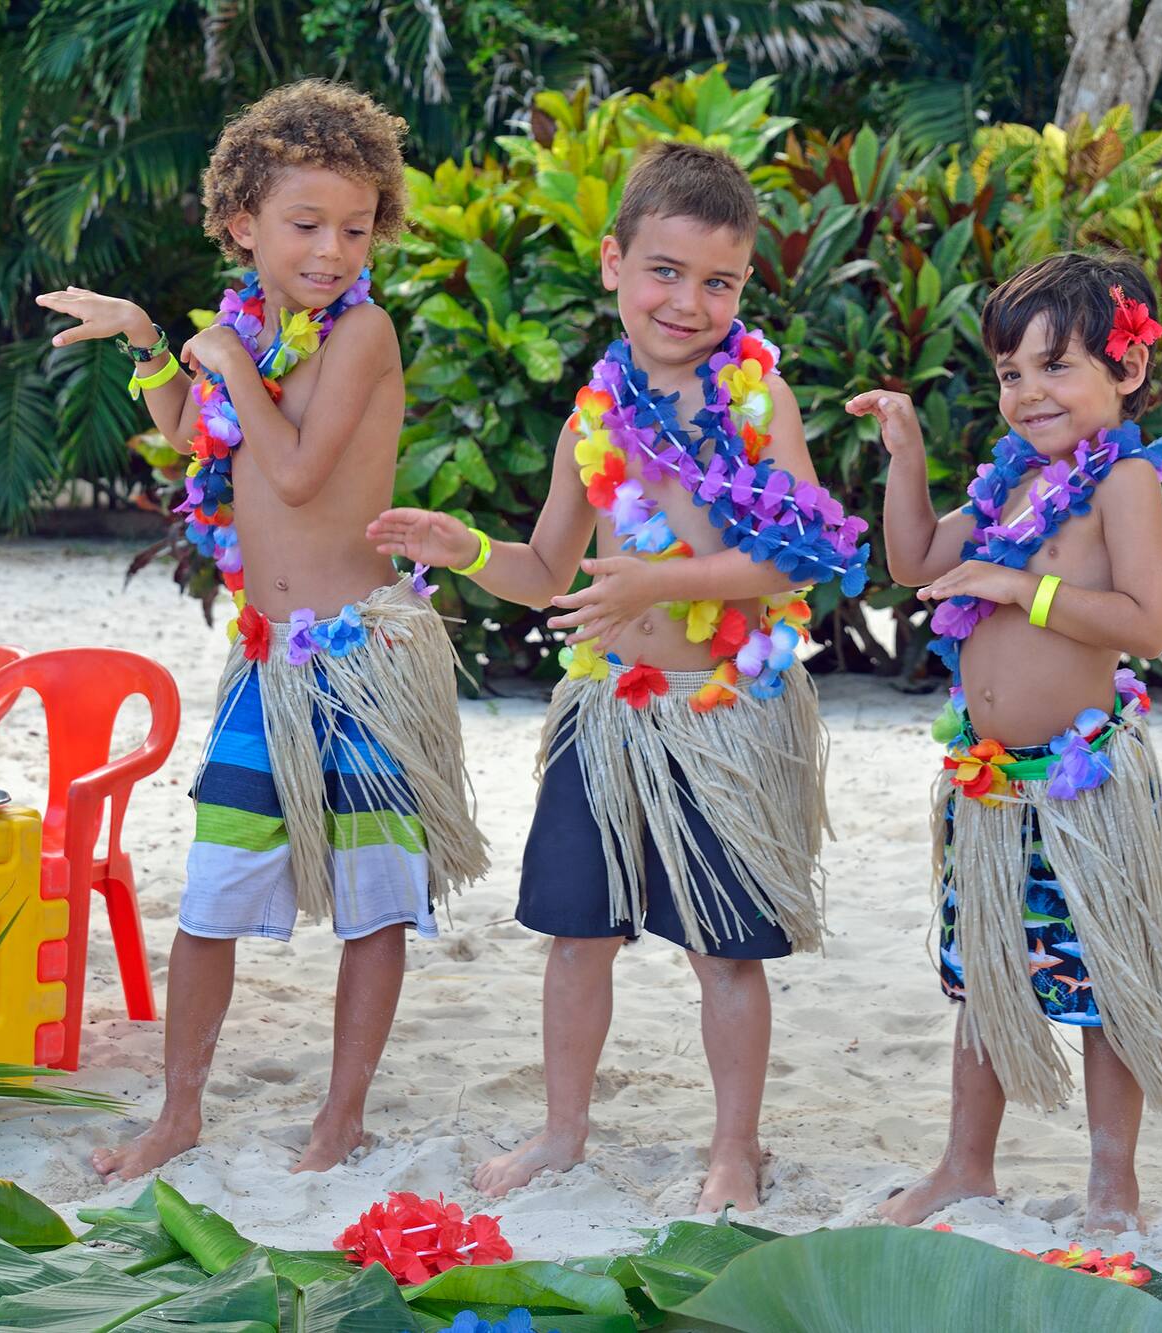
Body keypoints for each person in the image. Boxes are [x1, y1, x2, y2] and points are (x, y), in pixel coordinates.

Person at [371, 142, 869, 1208]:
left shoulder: (754, 402)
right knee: (574, 934)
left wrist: (657, 581)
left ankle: (732, 1147)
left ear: (741, 287)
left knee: (724, 951)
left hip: (722, 711)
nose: (686, 301)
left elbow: (799, 554)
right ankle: (562, 1129)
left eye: (717, 281)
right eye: (663, 270)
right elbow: (545, 570)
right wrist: (461, 546)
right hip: (605, 713)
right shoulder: (590, 421)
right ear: (612, 262)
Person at [36, 79, 487, 1180]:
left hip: (362, 662)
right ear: (243, 226)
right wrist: (152, 339)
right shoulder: (246, 326)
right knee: (210, 896)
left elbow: (290, 466)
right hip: (266, 665)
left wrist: (225, 357)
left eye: (352, 226)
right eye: (304, 226)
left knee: (373, 904)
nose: (331, 249)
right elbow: (199, 434)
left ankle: (340, 1116)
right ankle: (177, 1110)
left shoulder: (362, 332)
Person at [853, 249, 1162, 1233]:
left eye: (1055, 366)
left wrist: (1017, 588)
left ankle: (1110, 1187)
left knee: (1101, 981)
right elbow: (915, 558)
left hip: (1082, 788)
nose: (1027, 391)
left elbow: (1145, 623)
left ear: (1122, 370)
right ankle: (963, 1166)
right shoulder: (1013, 486)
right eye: (1010, 372)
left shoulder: (1120, 479)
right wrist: (906, 451)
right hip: (990, 786)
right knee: (986, 974)